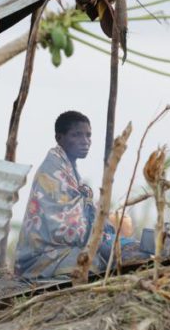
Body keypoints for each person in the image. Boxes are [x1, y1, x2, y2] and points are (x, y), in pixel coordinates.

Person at [14, 111, 149, 279]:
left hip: (69, 247)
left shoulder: (68, 169)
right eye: (76, 135)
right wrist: (97, 229)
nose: (85, 142)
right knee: (93, 264)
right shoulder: (51, 172)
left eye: (88, 135)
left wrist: (101, 227)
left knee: (130, 251)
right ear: (59, 138)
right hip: (43, 256)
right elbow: (60, 228)